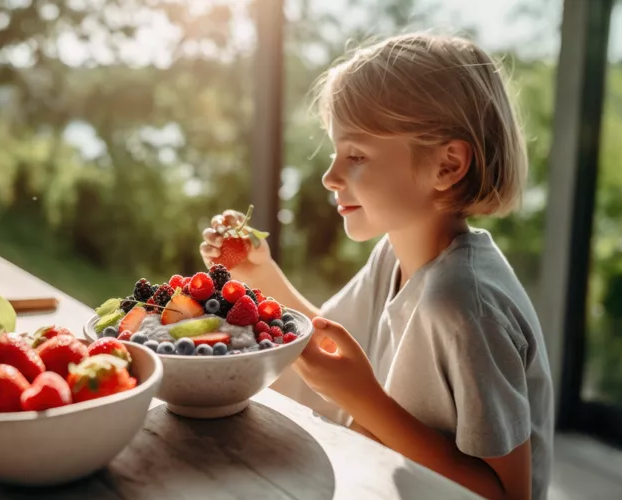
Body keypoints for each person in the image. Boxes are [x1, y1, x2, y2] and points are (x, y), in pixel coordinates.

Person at [200, 33, 553, 500]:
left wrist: (363, 400)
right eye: (335, 152)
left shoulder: (464, 305)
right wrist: (259, 274)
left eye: (357, 156)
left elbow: (508, 494)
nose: (330, 176)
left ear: (447, 165)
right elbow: (329, 342)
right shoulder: (394, 254)